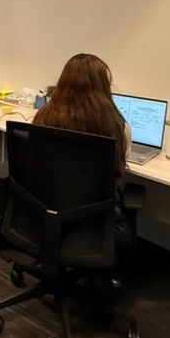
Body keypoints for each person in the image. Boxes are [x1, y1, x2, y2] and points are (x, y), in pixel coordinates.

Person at [32, 53, 134, 245]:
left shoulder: (42, 117)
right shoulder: (118, 128)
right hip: (94, 219)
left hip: (47, 210)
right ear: (103, 87)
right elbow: (119, 167)